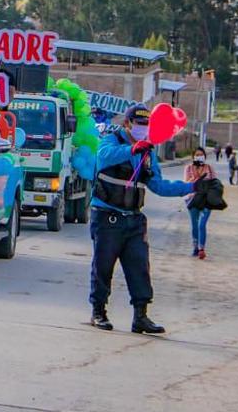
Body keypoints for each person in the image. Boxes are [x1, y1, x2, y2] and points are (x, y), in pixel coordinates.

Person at [89, 103, 195, 335]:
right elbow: (103, 157)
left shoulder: (149, 152)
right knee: (103, 266)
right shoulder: (112, 140)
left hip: (134, 219)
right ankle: (98, 311)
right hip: (107, 216)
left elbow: (158, 184)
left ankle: (141, 316)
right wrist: (132, 149)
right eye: (139, 124)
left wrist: (192, 187)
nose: (143, 128)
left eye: (147, 125)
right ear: (126, 124)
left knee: (139, 267)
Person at [184, 148, 216, 259]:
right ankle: (195, 248)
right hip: (192, 200)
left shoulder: (209, 168)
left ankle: (201, 248)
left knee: (201, 224)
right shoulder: (188, 168)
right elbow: (186, 184)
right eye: (197, 155)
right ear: (193, 156)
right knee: (194, 224)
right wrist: (195, 179)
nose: (199, 156)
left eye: (201, 155)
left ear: (204, 156)